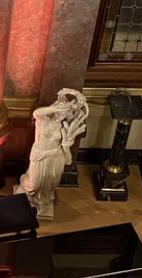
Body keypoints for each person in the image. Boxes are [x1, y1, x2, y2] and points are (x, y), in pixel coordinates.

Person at [18, 87, 89, 219]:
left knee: (48, 186)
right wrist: (55, 108)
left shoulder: (64, 128)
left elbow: (68, 160)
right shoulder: (44, 121)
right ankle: (25, 187)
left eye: (65, 113)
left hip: (56, 157)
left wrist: (66, 146)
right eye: (60, 111)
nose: (61, 114)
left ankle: (43, 201)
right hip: (40, 154)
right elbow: (36, 113)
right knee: (33, 183)